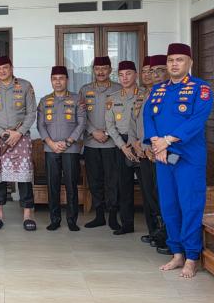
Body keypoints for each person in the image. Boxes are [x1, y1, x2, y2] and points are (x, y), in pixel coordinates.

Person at [144, 43, 213, 278]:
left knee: (190, 205)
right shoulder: (158, 90)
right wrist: (156, 143)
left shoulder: (200, 88)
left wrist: (166, 141)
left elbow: (196, 121)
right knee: (169, 206)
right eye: (171, 60)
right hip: (163, 158)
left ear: (189, 62)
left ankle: (192, 256)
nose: (174, 64)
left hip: (188, 158)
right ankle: (177, 253)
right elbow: (148, 117)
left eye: (180, 59)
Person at [0, 56, 37, 231]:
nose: (2, 71)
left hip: (21, 136)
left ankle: (27, 215)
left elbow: (31, 112)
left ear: (11, 68)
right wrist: (0, 133)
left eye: (5, 67)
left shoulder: (25, 86)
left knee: (24, 177)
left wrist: (19, 133)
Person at [128, 55, 169, 253]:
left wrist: (151, 146)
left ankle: (166, 234)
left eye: (160, 70)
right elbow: (134, 122)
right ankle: (154, 230)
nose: (155, 75)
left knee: (163, 194)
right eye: (152, 71)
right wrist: (136, 144)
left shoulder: (168, 93)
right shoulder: (144, 95)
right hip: (143, 151)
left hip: (160, 152)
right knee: (148, 193)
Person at [37, 66, 85, 231]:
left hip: (70, 149)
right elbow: (40, 125)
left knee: (71, 185)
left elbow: (81, 123)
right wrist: (50, 143)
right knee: (53, 185)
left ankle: (72, 220)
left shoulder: (77, 99)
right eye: (54, 79)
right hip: (50, 149)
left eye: (61, 78)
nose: (58, 82)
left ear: (67, 80)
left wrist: (68, 142)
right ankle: (55, 219)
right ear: (51, 81)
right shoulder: (44, 101)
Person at [78, 56, 122, 229]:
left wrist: (107, 133)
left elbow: (122, 116)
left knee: (113, 181)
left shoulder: (118, 89)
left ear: (110, 70)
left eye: (104, 68)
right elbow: (81, 116)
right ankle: (99, 215)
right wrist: (93, 131)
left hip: (112, 143)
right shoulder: (85, 90)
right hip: (91, 143)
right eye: (97, 68)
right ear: (93, 70)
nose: (101, 72)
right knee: (95, 181)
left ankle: (112, 216)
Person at [105, 61, 145, 235]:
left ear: (136, 75)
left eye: (128, 73)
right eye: (121, 75)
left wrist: (138, 143)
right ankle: (127, 224)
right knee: (123, 186)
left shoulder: (145, 95)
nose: (125, 78)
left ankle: (155, 227)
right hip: (121, 144)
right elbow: (110, 126)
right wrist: (123, 146)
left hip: (142, 144)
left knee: (148, 187)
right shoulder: (112, 98)